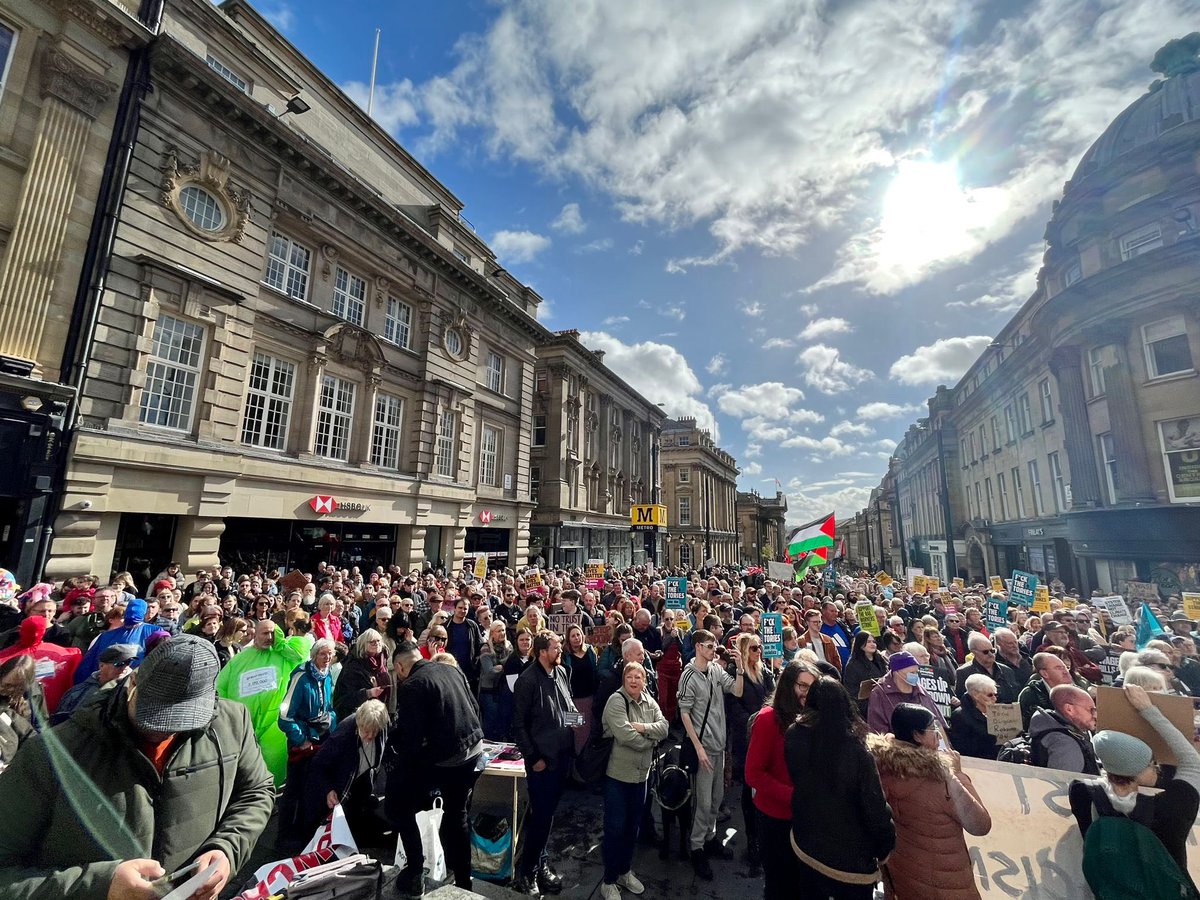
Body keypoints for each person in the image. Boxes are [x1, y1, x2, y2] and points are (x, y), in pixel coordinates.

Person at [0, 635, 275, 900]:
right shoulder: (53, 754)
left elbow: (256, 791)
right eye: (152, 714)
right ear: (132, 681)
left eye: (179, 720)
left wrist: (227, 850)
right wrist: (100, 886)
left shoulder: (231, 723)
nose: (160, 730)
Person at [1069, 684, 1200, 888]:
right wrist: (1147, 709)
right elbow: (1192, 761)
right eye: (1151, 764)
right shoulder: (1173, 807)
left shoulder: (1083, 793)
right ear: (1137, 772)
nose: (1157, 768)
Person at [388, 640, 484, 896]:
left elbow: (411, 739)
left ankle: (415, 871)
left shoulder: (413, 685)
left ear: (400, 666)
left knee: (399, 806)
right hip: (472, 749)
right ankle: (464, 882)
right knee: (457, 814)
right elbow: (474, 708)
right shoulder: (450, 668)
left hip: (447, 757)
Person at [786, 677, 896, 898]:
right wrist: (885, 845)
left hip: (806, 844)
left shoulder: (794, 734)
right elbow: (874, 807)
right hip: (850, 863)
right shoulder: (856, 752)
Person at [870, 703, 991, 900]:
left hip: (905, 885)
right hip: (951, 888)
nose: (937, 734)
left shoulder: (880, 770)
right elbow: (980, 825)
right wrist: (957, 774)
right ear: (917, 735)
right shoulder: (939, 779)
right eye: (932, 729)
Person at [511, 630, 581, 895]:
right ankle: (526, 873)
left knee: (548, 816)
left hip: (562, 757)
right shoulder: (527, 681)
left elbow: (566, 708)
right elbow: (518, 725)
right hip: (541, 761)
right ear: (542, 652)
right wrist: (533, 758)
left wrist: (580, 724)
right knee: (540, 818)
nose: (560, 650)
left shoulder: (561, 672)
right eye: (555, 647)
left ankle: (540, 863)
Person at [746, 660, 820, 900]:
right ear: (789, 685)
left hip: (807, 817)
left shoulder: (813, 719)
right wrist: (793, 795)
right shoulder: (768, 719)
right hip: (776, 819)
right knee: (780, 885)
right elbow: (753, 773)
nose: (807, 693)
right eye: (802, 686)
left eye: (812, 687)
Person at [677, 628, 744, 880]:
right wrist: (698, 748)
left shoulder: (716, 670)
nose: (713, 649)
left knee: (716, 798)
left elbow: (736, 691)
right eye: (708, 645)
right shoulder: (688, 675)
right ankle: (696, 847)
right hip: (702, 747)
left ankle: (710, 837)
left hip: (719, 744)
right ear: (697, 647)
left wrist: (738, 668)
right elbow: (684, 714)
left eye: (714, 645)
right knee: (702, 802)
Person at [599, 661, 669, 900]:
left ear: (644, 681)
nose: (634, 681)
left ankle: (624, 872)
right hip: (618, 776)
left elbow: (665, 727)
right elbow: (625, 736)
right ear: (623, 679)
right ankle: (608, 880)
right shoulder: (616, 701)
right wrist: (651, 740)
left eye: (638, 677)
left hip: (642, 776)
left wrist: (644, 727)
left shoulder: (649, 701)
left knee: (633, 828)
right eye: (630, 676)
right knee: (615, 828)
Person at [215, 618, 306, 786]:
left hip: (275, 725)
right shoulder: (239, 659)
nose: (269, 637)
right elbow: (221, 688)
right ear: (255, 635)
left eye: (273, 633)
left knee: (271, 764)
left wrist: (280, 643)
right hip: (245, 725)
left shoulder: (284, 655)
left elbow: (301, 655)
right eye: (265, 633)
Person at [301, 698, 390, 849]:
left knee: (355, 819)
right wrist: (328, 790)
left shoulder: (381, 726)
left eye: (375, 732)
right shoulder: (342, 737)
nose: (370, 736)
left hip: (359, 781)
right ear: (359, 724)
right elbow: (317, 765)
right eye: (366, 731)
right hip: (338, 787)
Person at [278, 638, 338, 844]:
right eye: (323, 654)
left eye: (330, 654)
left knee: (312, 786)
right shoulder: (301, 677)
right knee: (294, 789)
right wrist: (300, 739)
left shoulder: (327, 674)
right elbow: (285, 716)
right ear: (313, 656)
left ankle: (304, 832)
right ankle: (284, 836)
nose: (327, 658)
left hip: (321, 737)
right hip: (303, 740)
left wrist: (332, 728)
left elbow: (328, 707)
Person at [728, 631, 774, 875]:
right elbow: (733, 706)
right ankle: (752, 842)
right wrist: (756, 723)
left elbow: (773, 699)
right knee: (749, 790)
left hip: (767, 737)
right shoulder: (736, 674)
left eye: (760, 647)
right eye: (755, 648)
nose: (759, 652)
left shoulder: (766, 672)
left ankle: (765, 837)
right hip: (748, 739)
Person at [73, 598, 160, 684]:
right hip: (107, 682)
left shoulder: (155, 632)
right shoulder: (106, 636)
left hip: (135, 682)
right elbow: (90, 662)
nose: (133, 613)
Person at [52, 642, 136, 725]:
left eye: (128, 662)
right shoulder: (77, 692)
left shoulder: (131, 692)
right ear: (101, 666)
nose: (125, 667)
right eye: (119, 664)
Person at [867, 650, 947, 735]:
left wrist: (944, 745)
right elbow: (877, 730)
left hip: (928, 744)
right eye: (911, 673)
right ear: (896, 672)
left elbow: (938, 722)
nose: (915, 676)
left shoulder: (921, 690)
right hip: (897, 746)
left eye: (917, 672)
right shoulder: (879, 693)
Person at [1028, 684, 1100, 774]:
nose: (1095, 715)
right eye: (1090, 709)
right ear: (1069, 709)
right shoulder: (1065, 744)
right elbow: (1065, 785)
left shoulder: (1049, 727)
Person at [331, 629, 390, 722]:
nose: (376, 644)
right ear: (363, 644)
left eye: (378, 641)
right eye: (372, 642)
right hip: (359, 717)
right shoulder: (353, 666)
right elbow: (345, 698)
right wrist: (368, 693)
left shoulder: (382, 659)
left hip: (380, 711)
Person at [562, 623, 599, 755]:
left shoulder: (590, 651)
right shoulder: (565, 656)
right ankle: (576, 762)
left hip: (589, 698)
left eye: (578, 634)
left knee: (588, 730)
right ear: (568, 639)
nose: (576, 638)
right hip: (573, 701)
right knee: (576, 731)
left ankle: (586, 761)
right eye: (573, 636)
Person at [954, 632, 1020, 704]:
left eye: (992, 651)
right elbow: (962, 700)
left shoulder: (1007, 670)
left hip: (1008, 713)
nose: (991, 654)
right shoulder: (964, 672)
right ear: (974, 652)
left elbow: (1015, 697)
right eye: (985, 652)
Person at [1018, 651, 1075, 730]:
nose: (1065, 672)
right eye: (1059, 668)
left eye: (1066, 667)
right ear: (1045, 674)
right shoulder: (1031, 695)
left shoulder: (1076, 691)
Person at [949, 673, 999, 760]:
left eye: (996, 695)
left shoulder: (998, 713)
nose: (994, 699)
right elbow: (963, 749)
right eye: (990, 695)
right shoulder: (960, 716)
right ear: (976, 695)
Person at [479, 621, 513, 740]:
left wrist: (499, 667)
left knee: (502, 721)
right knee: (490, 720)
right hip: (488, 690)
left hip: (504, 690)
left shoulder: (509, 647)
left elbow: (511, 666)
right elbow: (489, 671)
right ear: (492, 633)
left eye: (503, 630)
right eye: (499, 631)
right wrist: (504, 666)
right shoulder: (486, 648)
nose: (502, 633)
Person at [843, 631, 888, 716]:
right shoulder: (853, 665)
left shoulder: (880, 659)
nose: (872, 644)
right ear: (860, 644)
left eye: (874, 641)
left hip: (883, 701)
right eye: (868, 642)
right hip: (866, 707)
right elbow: (851, 690)